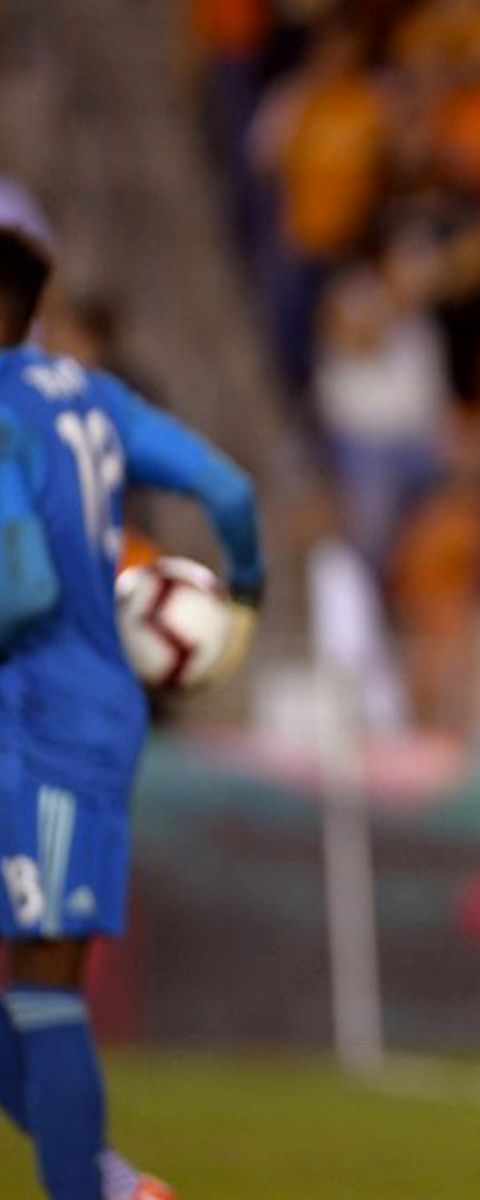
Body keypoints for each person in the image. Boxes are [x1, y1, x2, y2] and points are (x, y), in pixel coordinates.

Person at [0, 183, 263, 1200]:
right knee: (43, 990)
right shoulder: (92, 395)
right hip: (96, 715)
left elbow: (17, 585)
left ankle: (93, 1187)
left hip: (40, 720)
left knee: (45, 992)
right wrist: (241, 600)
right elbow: (232, 495)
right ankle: (104, 1181)